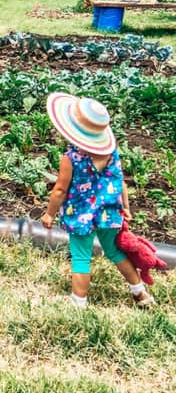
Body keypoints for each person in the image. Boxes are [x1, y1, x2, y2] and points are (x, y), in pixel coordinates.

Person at [41, 93, 155, 308]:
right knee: (114, 251)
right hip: (110, 213)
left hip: (82, 217)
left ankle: (79, 303)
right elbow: (120, 182)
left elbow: (59, 190)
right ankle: (140, 293)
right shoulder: (112, 154)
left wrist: (49, 214)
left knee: (81, 258)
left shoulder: (71, 158)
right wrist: (126, 208)